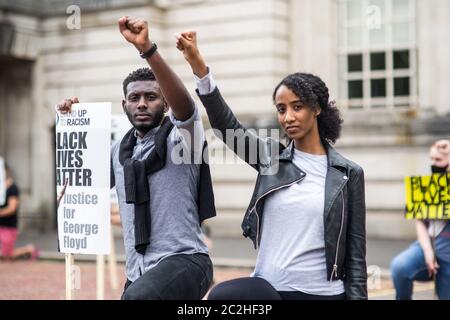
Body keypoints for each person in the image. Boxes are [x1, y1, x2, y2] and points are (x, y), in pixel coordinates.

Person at [175, 31, 367, 300]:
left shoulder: (347, 174)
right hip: (268, 290)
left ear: (317, 109)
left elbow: (356, 254)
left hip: (323, 294)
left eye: (297, 106)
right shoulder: (270, 157)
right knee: (218, 298)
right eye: (281, 109)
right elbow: (225, 126)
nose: (288, 117)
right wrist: (198, 65)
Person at [56, 17, 215, 300]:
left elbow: (187, 108)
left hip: (186, 261)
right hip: (138, 271)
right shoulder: (118, 151)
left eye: (151, 97)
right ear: (124, 105)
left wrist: (148, 49)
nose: (142, 103)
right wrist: (77, 126)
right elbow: (79, 183)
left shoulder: (183, 141)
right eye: (134, 97)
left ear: (165, 103)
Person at [391, 139, 450, 300]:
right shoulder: (426, 186)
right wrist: (428, 251)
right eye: (431, 159)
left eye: (438, 159)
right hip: (429, 243)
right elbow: (420, 221)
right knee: (400, 267)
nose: (433, 163)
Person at [0, 164, 39, 261]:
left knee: (8, 254)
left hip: (9, 226)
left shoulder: (13, 188)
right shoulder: (2, 189)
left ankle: (30, 250)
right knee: (6, 253)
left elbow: (12, 208)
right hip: (2, 226)